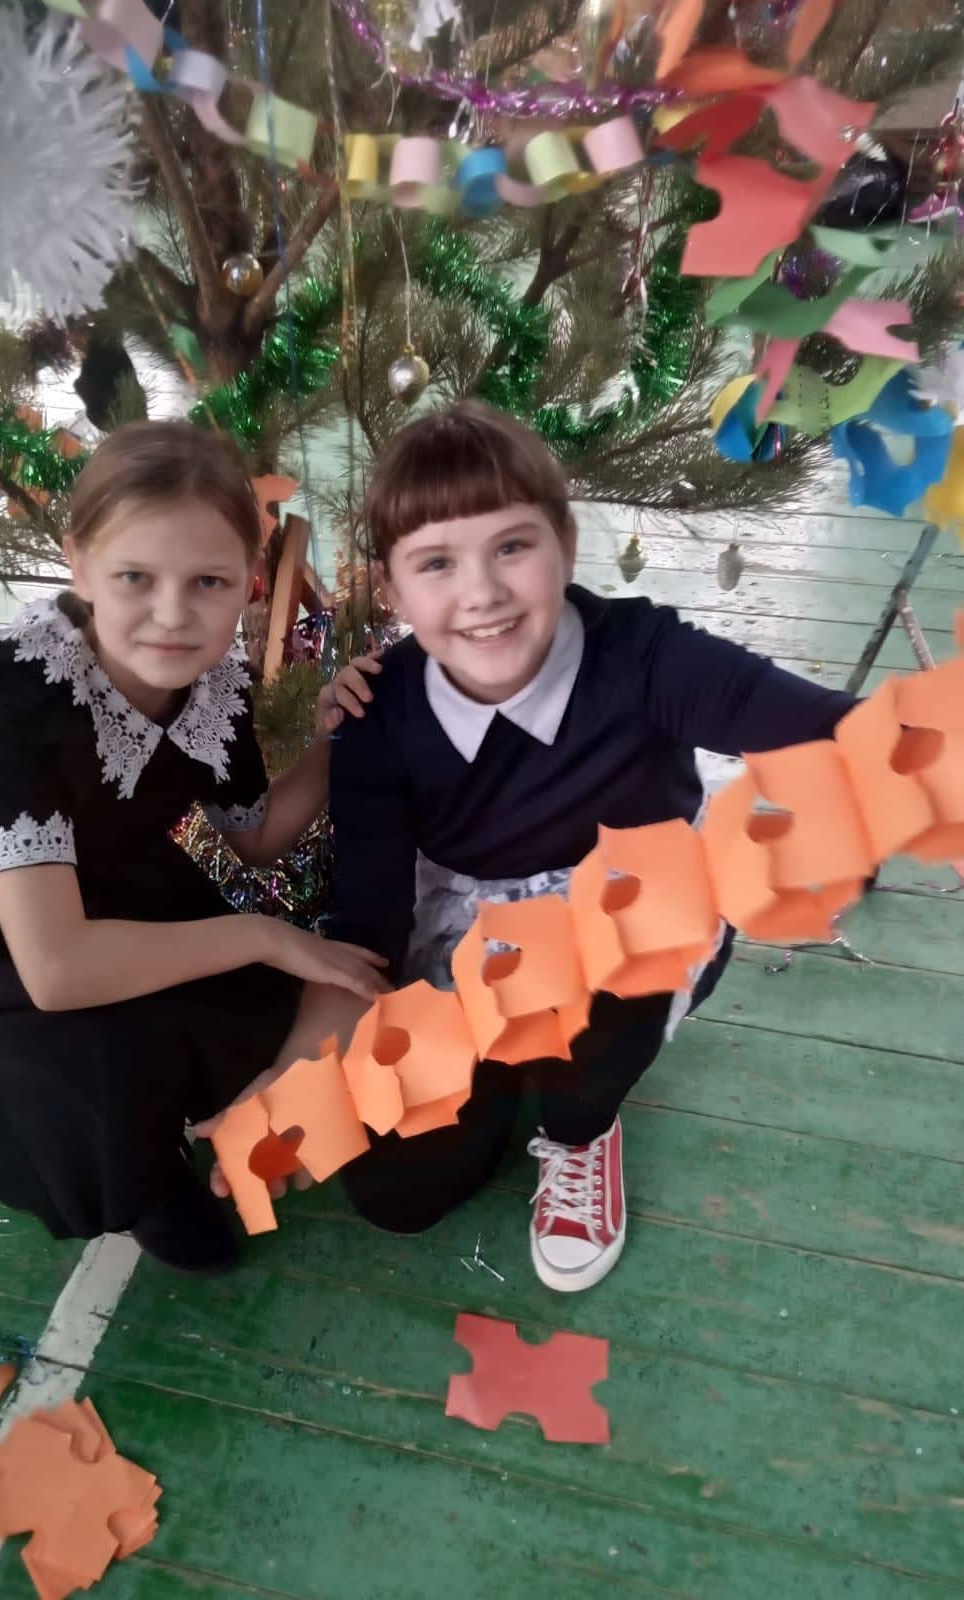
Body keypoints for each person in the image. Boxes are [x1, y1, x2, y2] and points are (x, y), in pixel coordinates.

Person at [325, 400, 857, 1293]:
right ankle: (504, 1082)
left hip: (631, 918)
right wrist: (331, 1070)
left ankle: (581, 1126)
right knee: (398, 1193)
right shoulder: (378, 716)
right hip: (474, 943)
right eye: (436, 563)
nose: (482, 593)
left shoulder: (642, 655)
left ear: (565, 544)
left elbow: (823, 728)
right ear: (392, 590)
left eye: (512, 546)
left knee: (607, 999)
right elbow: (367, 924)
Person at [0, 420, 384, 1275]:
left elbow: (253, 837)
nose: (173, 615)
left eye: (208, 582)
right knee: (97, 1055)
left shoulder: (215, 687)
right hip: (5, 941)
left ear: (247, 578)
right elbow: (56, 971)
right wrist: (265, 935)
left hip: (126, 886)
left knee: (248, 993)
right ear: (79, 566)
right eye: (134, 577)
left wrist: (336, 741)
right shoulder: (14, 705)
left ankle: (191, 1117)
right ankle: (139, 1183)